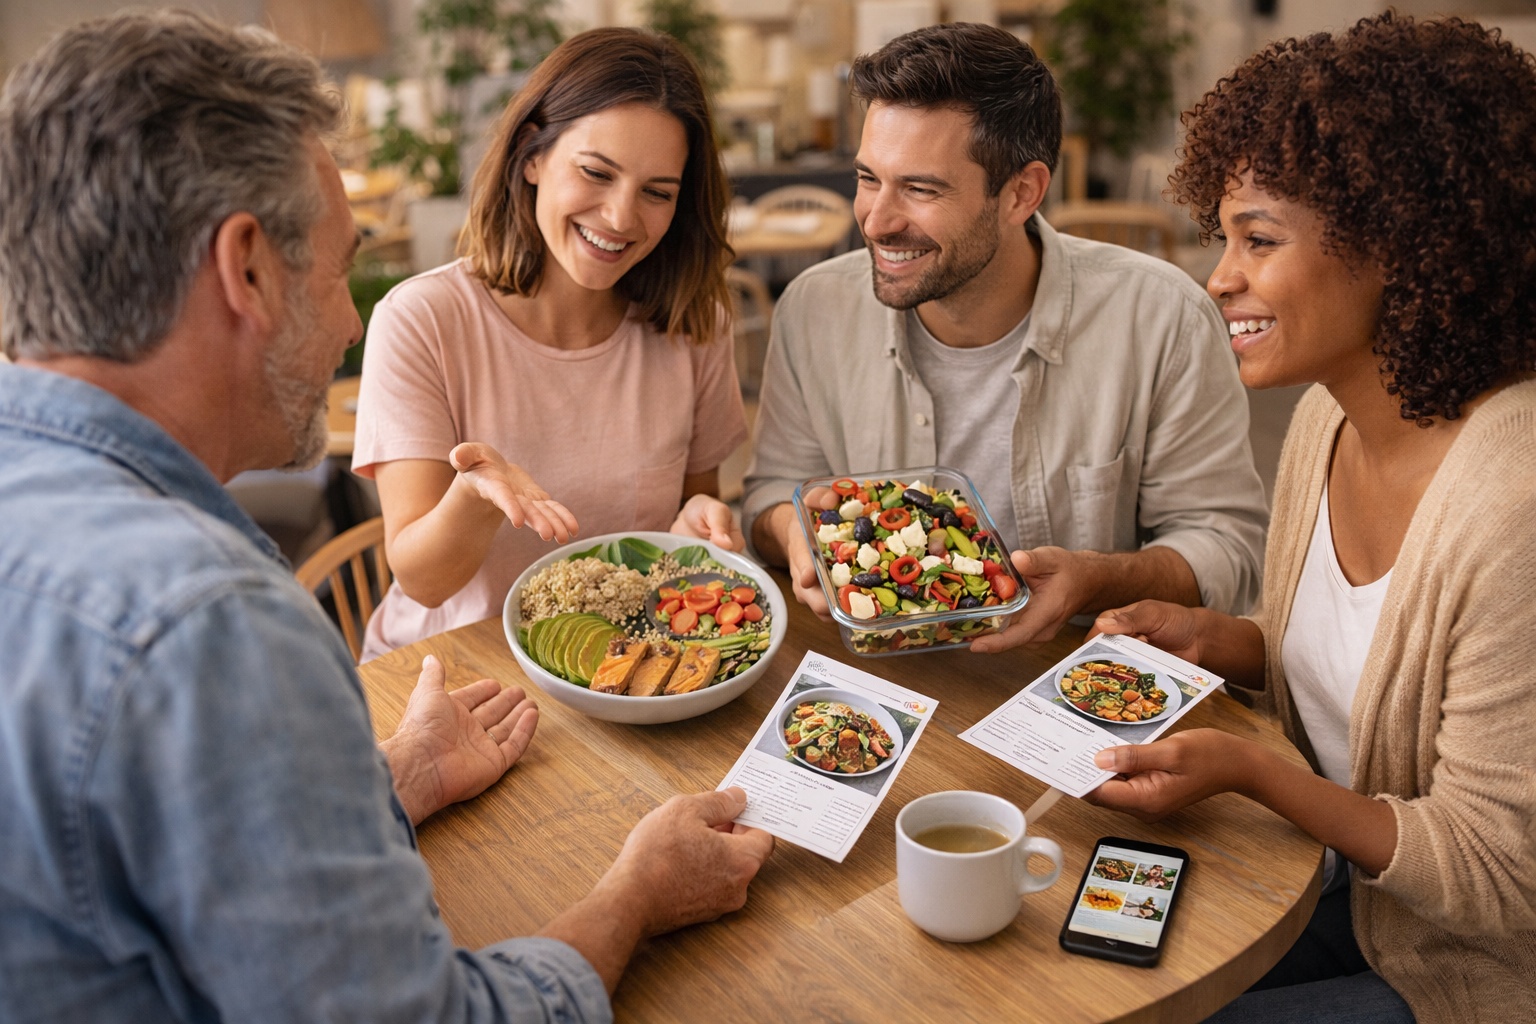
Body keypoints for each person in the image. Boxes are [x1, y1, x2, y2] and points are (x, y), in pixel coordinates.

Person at [0, 12, 771, 1021]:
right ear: (245, 269)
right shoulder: (215, 625)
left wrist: (386, 779)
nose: (351, 319)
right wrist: (636, 895)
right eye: (336, 266)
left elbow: (194, 849)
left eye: (657, 190)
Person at [1084, 14, 1536, 1023]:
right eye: (1224, 237)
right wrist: (1220, 642)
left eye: (1260, 239)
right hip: (1341, 891)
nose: (1221, 277)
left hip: (1465, 965)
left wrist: (1249, 769)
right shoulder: (1323, 420)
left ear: (1399, 243)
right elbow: (1367, 685)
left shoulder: (1514, 505)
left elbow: (1497, 875)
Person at [743, 23, 1268, 650]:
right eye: (867, 178)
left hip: (1070, 686)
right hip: (875, 684)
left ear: (1022, 193)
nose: (876, 220)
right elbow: (774, 491)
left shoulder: (1162, 318)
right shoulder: (812, 310)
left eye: (920, 188)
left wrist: (1097, 579)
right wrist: (790, 526)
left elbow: (1227, 546)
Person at [353, 28, 748, 661]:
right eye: (596, 172)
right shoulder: (421, 320)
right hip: (449, 673)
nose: (621, 217)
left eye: (657, 193)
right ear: (532, 155)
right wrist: (475, 498)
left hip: (618, 670)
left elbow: (687, 513)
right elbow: (423, 583)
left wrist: (697, 518)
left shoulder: (692, 325)